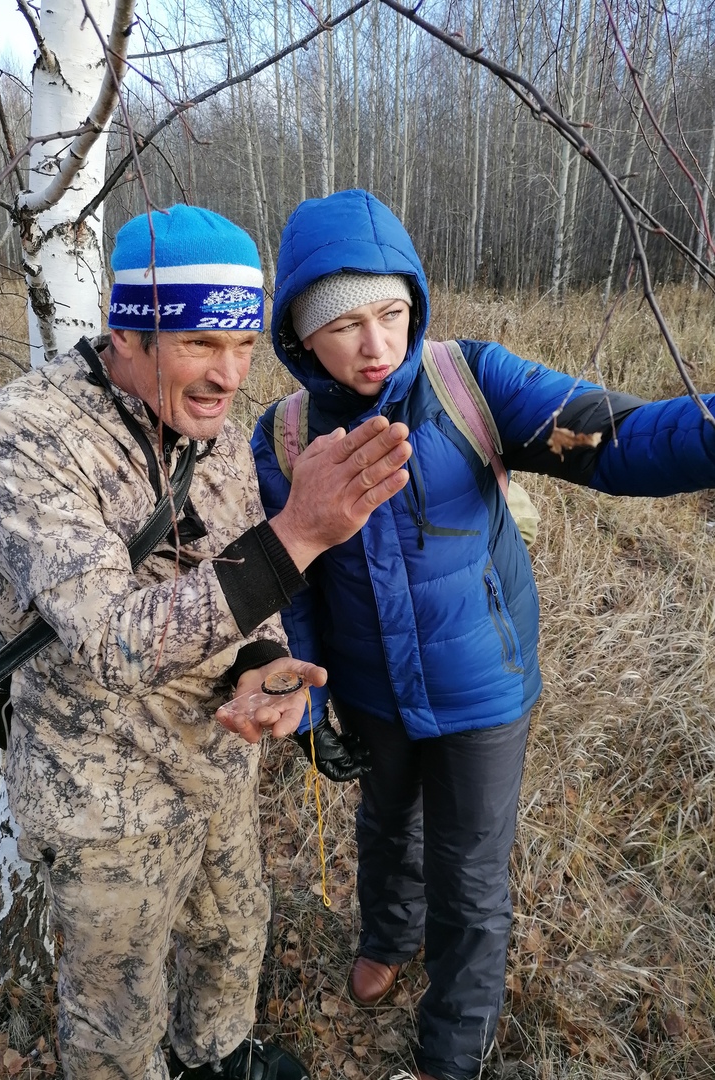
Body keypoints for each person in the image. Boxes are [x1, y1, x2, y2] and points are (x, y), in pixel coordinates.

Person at [251, 188, 715, 1080]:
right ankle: (389, 936)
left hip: (483, 686)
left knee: (469, 872)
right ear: (301, 336)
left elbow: (618, 437)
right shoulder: (285, 436)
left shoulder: (471, 382)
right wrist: (305, 704)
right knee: (386, 826)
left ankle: (452, 1047)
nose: (376, 344)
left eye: (392, 314)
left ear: (415, 303)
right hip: (370, 689)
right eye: (345, 325)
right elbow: (291, 584)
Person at [0, 203, 412, 1080]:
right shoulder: (24, 436)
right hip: (102, 796)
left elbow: (238, 567)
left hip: (217, 762)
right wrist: (299, 535)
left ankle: (217, 1062)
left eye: (243, 346)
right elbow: (110, 642)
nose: (228, 376)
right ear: (127, 331)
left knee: (233, 937)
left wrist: (264, 665)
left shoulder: (213, 429)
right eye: (200, 343)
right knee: (117, 1014)